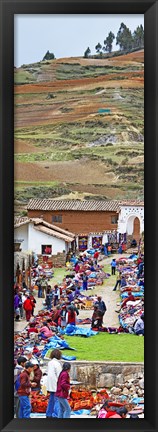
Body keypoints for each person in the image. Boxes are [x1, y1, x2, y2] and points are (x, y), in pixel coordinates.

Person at [46, 349, 62, 418]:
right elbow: (60, 375)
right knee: (57, 401)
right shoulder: (57, 364)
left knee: (51, 400)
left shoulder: (50, 363)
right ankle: (55, 415)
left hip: (50, 385)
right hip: (56, 384)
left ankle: (49, 414)